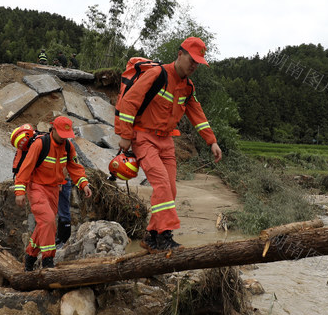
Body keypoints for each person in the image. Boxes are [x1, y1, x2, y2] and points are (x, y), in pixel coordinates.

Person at [115, 36, 222, 251]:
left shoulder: (188, 87)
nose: (193, 66)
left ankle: (151, 237)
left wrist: (212, 141)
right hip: (144, 138)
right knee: (162, 185)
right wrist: (125, 135)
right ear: (180, 54)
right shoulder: (157, 74)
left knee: (170, 189)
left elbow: (197, 115)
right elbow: (129, 102)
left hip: (166, 141)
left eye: (197, 63)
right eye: (191, 60)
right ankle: (165, 238)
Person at [14, 116, 92, 270]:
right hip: (37, 188)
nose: (64, 138)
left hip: (54, 189)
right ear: (53, 129)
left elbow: (75, 167)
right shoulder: (40, 144)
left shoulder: (68, 147)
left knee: (44, 225)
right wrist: (20, 191)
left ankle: (30, 257)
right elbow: (26, 168)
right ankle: (48, 260)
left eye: (66, 135)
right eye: (61, 134)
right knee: (48, 221)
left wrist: (84, 184)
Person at [10, 123, 74, 246]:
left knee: (59, 215)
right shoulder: (24, 148)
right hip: (42, 186)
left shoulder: (44, 143)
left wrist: (60, 181)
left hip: (58, 182)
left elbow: (65, 164)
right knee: (47, 220)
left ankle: (62, 239)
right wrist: (20, 190)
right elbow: (20, 170)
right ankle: (41, 253)